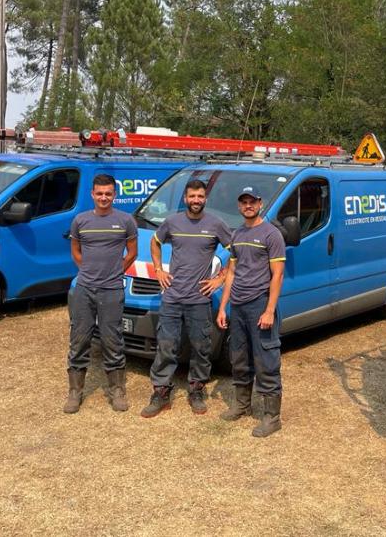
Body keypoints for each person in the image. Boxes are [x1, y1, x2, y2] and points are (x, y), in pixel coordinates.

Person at [140, 179, 233, 418]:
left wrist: (220, 279)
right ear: (185, 198)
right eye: (192, 196)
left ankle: (197, 390)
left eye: (200, 196)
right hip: (172, 298)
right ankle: (161, 392)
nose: (196, 200)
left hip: (200, 299)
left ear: (205, 198)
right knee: (166, 346)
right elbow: (155, 241)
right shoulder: (172, 221)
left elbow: (235, 251)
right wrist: (159, 269)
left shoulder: (215, 224)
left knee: (201, 347)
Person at [63, 173, 138, 414]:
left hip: (112, 289)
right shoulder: (80, 220)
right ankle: (75, 392)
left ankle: (117, 390)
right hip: (85, 289)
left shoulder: (126, 221)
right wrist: (86, 270)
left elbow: (132, 253)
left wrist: (116, 273)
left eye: (108, 193)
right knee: (79, 338)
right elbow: (75, 250)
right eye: (99, 193)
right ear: (92, 194)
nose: (104, 197)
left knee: (112, 339)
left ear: (115, 195)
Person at [216, 186, 286, 437]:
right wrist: (224, 306)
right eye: (243, 201)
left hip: (259, 304)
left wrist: (269, 310)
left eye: (252, 201)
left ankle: (272, 417)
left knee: (266, 359)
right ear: (239, 205)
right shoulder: (237, 234)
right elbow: (231, 273)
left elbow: (277, 275)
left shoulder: (271, 234)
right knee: (239, 357)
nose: (248, 205)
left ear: (260, 203)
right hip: (238, 306)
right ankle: (242, 405)